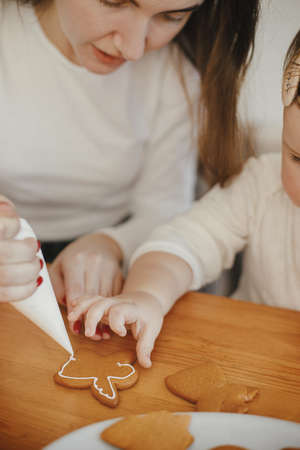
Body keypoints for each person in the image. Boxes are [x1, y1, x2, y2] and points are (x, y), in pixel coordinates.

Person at [0, 0, 260, 340]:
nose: (135, 49)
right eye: (115, 1)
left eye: (172, 17)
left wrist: (112, 244)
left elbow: (165, 209)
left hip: (122, 261)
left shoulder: (176, 77)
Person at [68, 30, 300, 368]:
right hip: (245, 364)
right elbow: (180, 243)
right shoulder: (261, 185)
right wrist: (147, 295)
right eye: (297, 157)